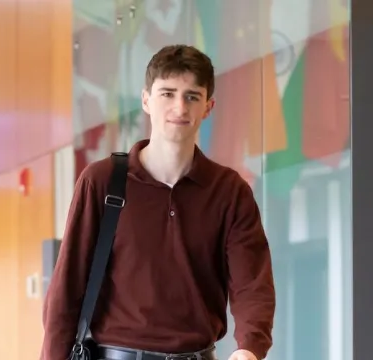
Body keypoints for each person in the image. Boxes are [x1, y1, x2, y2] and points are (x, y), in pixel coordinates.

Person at [41, 44, 276, 360]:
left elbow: (253, 284)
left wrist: (249, 348)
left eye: (192, 96)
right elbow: (66, 290)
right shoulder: (102, 181)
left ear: (208, 107)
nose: (180, 107)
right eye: (167, 94)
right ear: (146, 100)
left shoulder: (229, 191)